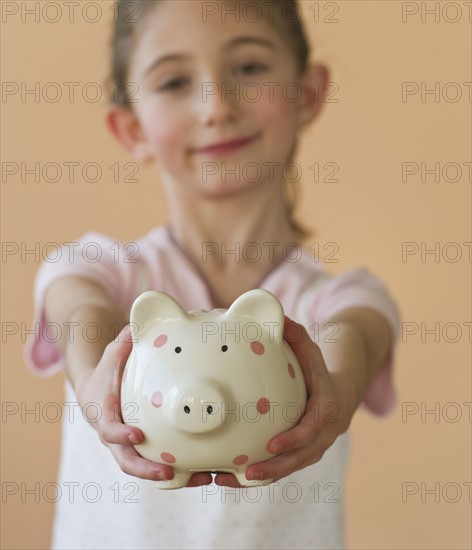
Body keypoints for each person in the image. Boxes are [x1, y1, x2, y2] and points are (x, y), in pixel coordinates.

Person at [24, 1, 401, 548]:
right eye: (175, 80)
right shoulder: (94, 271)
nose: (216, 106)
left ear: (309, 92)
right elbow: (83, 319)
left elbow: (353, 344)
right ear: (131, 127)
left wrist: (334, 396)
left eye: (248, 68)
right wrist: (94, 384)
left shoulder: (341, 301)